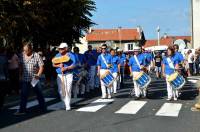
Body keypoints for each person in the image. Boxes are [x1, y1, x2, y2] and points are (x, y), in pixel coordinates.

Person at [15, 42, 46, 115]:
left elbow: (41, 66)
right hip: (25, 78)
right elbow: (21, 66)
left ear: (31, 49)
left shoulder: (36, 55)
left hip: (34, 78)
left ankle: (43, 108)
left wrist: (38, 75)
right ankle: (22, 110)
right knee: (23, 95)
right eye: (24, 50)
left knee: (39, 94)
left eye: (26, 50)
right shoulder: (22, 55)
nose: (25, 52)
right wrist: (20, 75)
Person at [52, 43, 76, 111]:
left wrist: (66, 68)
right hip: (60, 75)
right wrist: (59, 65)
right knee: (60, 90)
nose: (60, 50)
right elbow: (53, 64)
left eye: (62, 48)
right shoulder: (57, 55)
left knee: (68, 90)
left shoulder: (71, 55)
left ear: (66, 48)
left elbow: (74, 65)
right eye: (59, 48)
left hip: (68, 74)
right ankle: (64, 102)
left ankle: (67, 104)